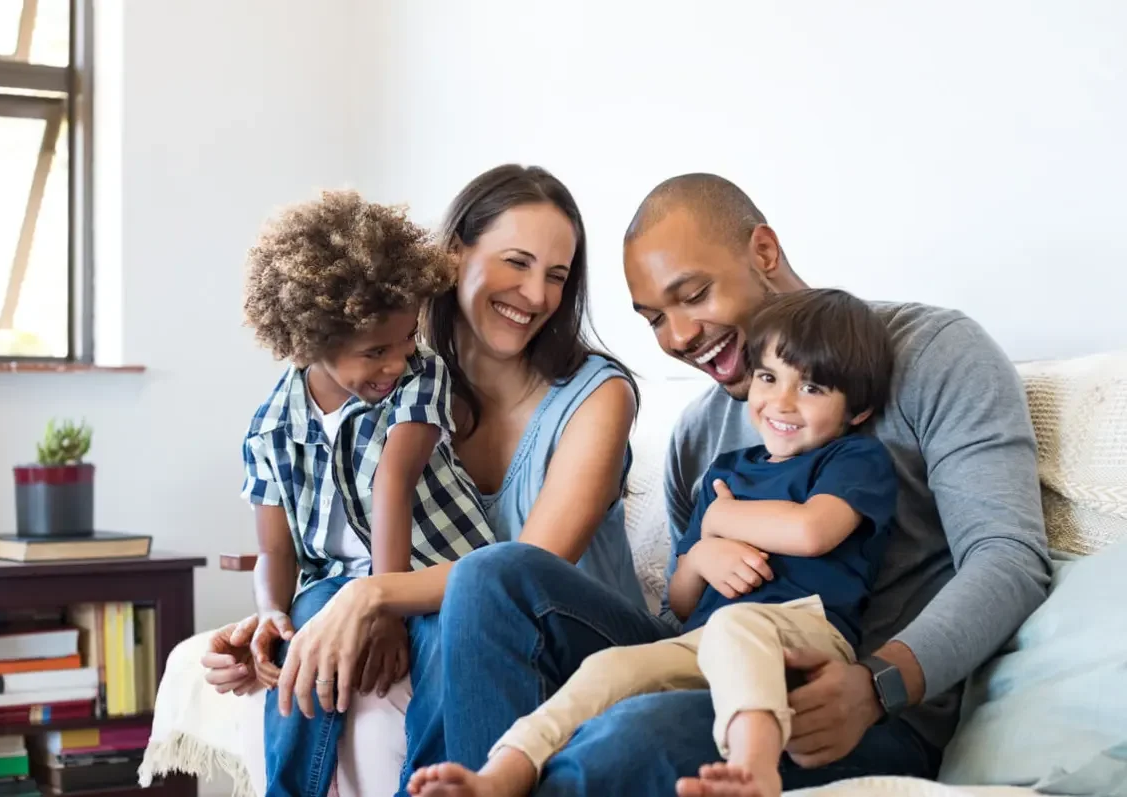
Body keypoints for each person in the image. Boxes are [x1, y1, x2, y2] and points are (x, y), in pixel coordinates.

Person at [427, 173, 1052, 796]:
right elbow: (683, 606)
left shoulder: (933, 354)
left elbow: (1008, 558)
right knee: (493, 576)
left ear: (763, 253)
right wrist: (703, 554)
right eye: (654, 320)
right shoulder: (699, 433)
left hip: (850, 705)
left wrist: (878, 684)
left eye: (693, 294)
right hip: (715, 663)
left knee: (627, 737)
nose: (678, 338)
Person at [200, 164, 649, 796]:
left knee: (481, 585)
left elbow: (527, 569)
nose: (538, 295)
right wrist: (276, 622)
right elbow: (322, 532)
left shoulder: (596, 396)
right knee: (331, 616)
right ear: (453, 254)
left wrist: (374, 595)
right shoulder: (396, 382)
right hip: (457, 615)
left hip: (580, 637)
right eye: (517, 262)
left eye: (556, 275)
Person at [408, 288, 898, 797]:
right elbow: (683, 601)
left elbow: (812, 531)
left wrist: (722, 519)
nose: (782, 402)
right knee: (609, 668)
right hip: (703, 642)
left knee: (738, 623)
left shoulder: (852, 460)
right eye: (769, 377)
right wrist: (704, 552)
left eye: (812, 388)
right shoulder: (727, 471)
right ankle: (502, 773)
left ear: (857, 410)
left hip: (806, 636)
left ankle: (755, 768)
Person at [217, 189, 500, 796]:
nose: (396, 363)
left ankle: (429, 788)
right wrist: (272, 612)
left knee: (455, 647)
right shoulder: (271, 428)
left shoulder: (420, 376)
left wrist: (388, 609)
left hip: (435, 574)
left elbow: (391, 483)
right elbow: (275, 552)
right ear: (308, 341)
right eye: (375, 351)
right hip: (336, 584)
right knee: (305, 640)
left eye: (404, 342)